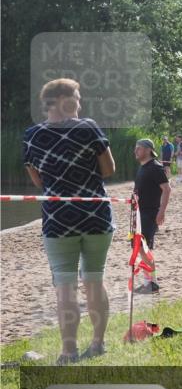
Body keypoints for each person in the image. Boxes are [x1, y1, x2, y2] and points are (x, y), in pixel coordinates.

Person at [23, 79, 115, 364]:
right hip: (96, 214)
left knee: (65, 285)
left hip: (58, 219)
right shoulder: (89, 127)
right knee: (94, 278)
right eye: (77, 97)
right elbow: (109, 169)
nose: (80, 102)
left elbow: (38, 181)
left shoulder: (31, 135)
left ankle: (69, 351)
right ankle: (98, 344)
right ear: (64, 100)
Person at [133, 138, 171, 291]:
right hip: (139, 214)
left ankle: (152, 283)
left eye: (139, 148)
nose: (135, 151)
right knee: (140, 247)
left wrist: (161, 212)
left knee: (143, 248)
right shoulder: (143, 167)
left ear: (148, 150)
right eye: (135, 148)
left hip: (149, 214)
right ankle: (148, 282)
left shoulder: (155, 167)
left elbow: (167, 189)